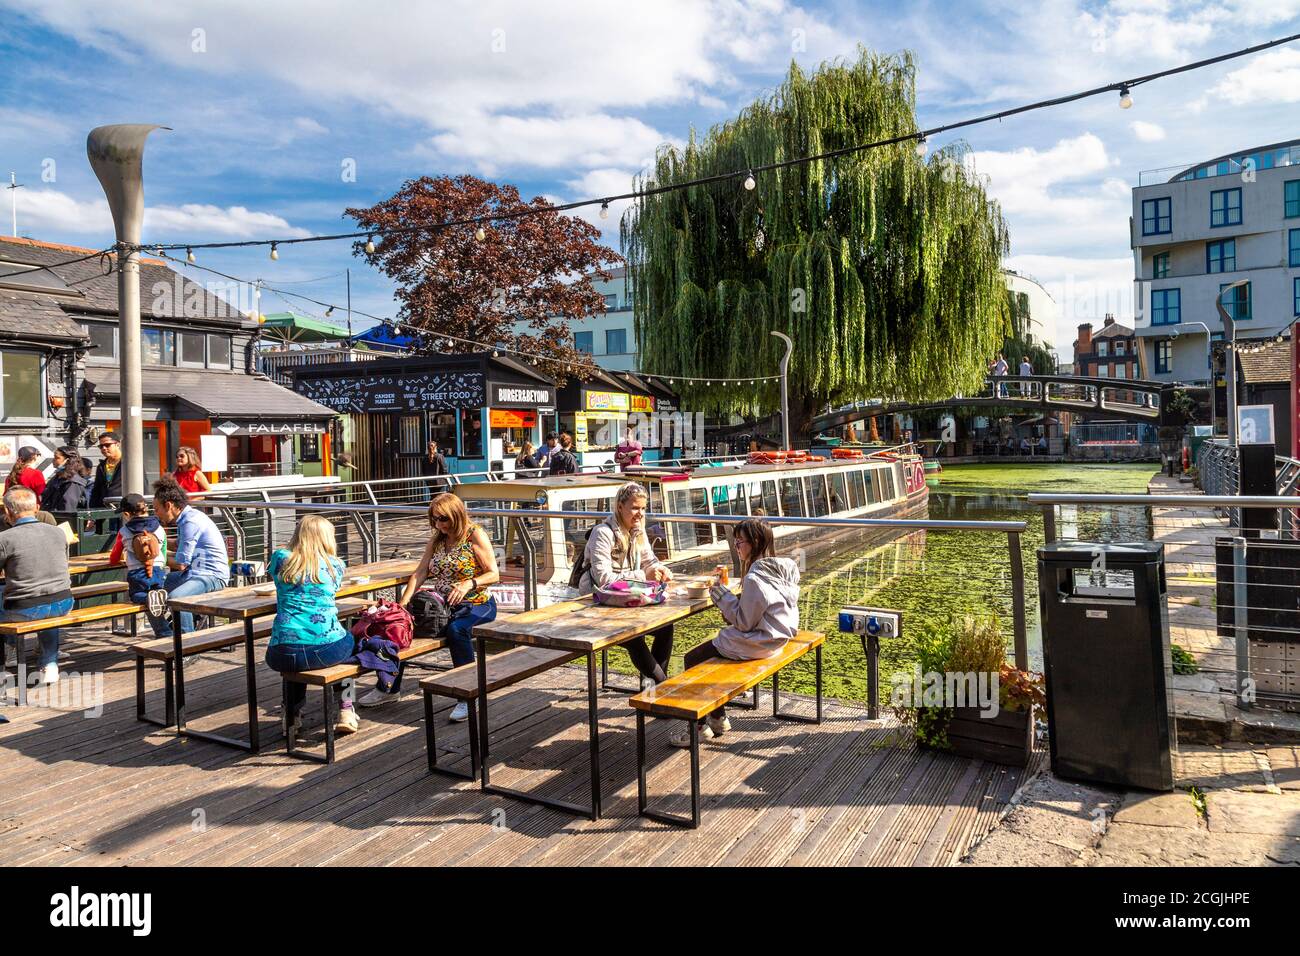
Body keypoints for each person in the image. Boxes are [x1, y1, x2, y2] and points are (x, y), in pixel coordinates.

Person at [670, 518, 800, 747]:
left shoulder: (755, 578)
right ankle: (719, 718)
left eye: (740, 542)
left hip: (759, 643)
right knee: (710, 653)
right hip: (776, 639)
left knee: (692, 659)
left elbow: (743, 623)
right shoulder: (779, 569)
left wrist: (720, 595)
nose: (736, 547)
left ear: (755, 542)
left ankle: (699, 728)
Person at [394, 493, 499, 719]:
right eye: (434, 519)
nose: (439, 524)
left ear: (456, 516)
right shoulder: (438, 539)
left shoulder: (474, 535)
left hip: (477, 602)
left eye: (443, 519)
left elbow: (493, 573)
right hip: (443, 605)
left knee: (457, 630)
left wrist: (468, 584)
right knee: (403, 625)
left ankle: (468, 694)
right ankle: (389, 686)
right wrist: (403, 604)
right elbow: (421, 572)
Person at [264, 515, 360, 737]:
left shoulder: (280, 558)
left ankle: (291, 715)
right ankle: (346, 708)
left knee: (294, 661)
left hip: (281, 651)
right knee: (349, 642)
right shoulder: (335, 565)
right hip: (325, 649)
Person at [578, 482, 675, 690]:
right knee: (634, 637)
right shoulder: (602, 533)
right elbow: (604, 579)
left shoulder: (638, 531)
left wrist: (660, 568)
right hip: (596, 602)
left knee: (666, 626)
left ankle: (650, 691)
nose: (640, 513)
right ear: (619, 507)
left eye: (643, 508)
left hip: (627, 600)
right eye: (634, 508)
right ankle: (663, 689)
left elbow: (650, 561)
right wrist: (644, 574)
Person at [0, 487, 73, 686]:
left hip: (26, 607)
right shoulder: (58, 532)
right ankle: (49, 663)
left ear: (8, 512)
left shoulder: (5, 538)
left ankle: (10, 650)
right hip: (64, 601)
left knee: (4, 595)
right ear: (36, 508)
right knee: (49, 603)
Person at [148, 478, 230, 637]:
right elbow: (179, 545)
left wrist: (153, 558)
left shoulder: (190, 522)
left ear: (169, 506)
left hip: (212, 576)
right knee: (150, 592)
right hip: (195, 574)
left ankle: (188, 645)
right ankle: (166, 637)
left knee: (177, 598)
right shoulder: (187, 518)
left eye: (156, 509)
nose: (156, 514)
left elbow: (181, 564)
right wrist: (156, 540)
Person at [108, 492, 168, 609]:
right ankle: (158, 595)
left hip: (137, 571)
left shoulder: (124, 531)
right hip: (158, 568)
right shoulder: (159, 528)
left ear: (126, 514)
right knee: (157, 589)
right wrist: (162, 563)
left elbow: (115, 554)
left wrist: (113, 561)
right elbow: (164, 549)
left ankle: (147, 598)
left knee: (136, 594)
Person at [41, 447, 88, 513]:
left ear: (67, 460)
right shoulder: (57, 477)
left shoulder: (73, 482)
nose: (53, 460)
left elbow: (67, 508)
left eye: (57, 458)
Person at [89, 431, 123, 508]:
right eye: (101, 446)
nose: (104, 448)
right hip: (105, 508)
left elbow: (142, 486)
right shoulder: (101, 466)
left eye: (107, 445)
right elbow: (96, 491)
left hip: (124, 508)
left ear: (117, 444)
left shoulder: (129, 464)